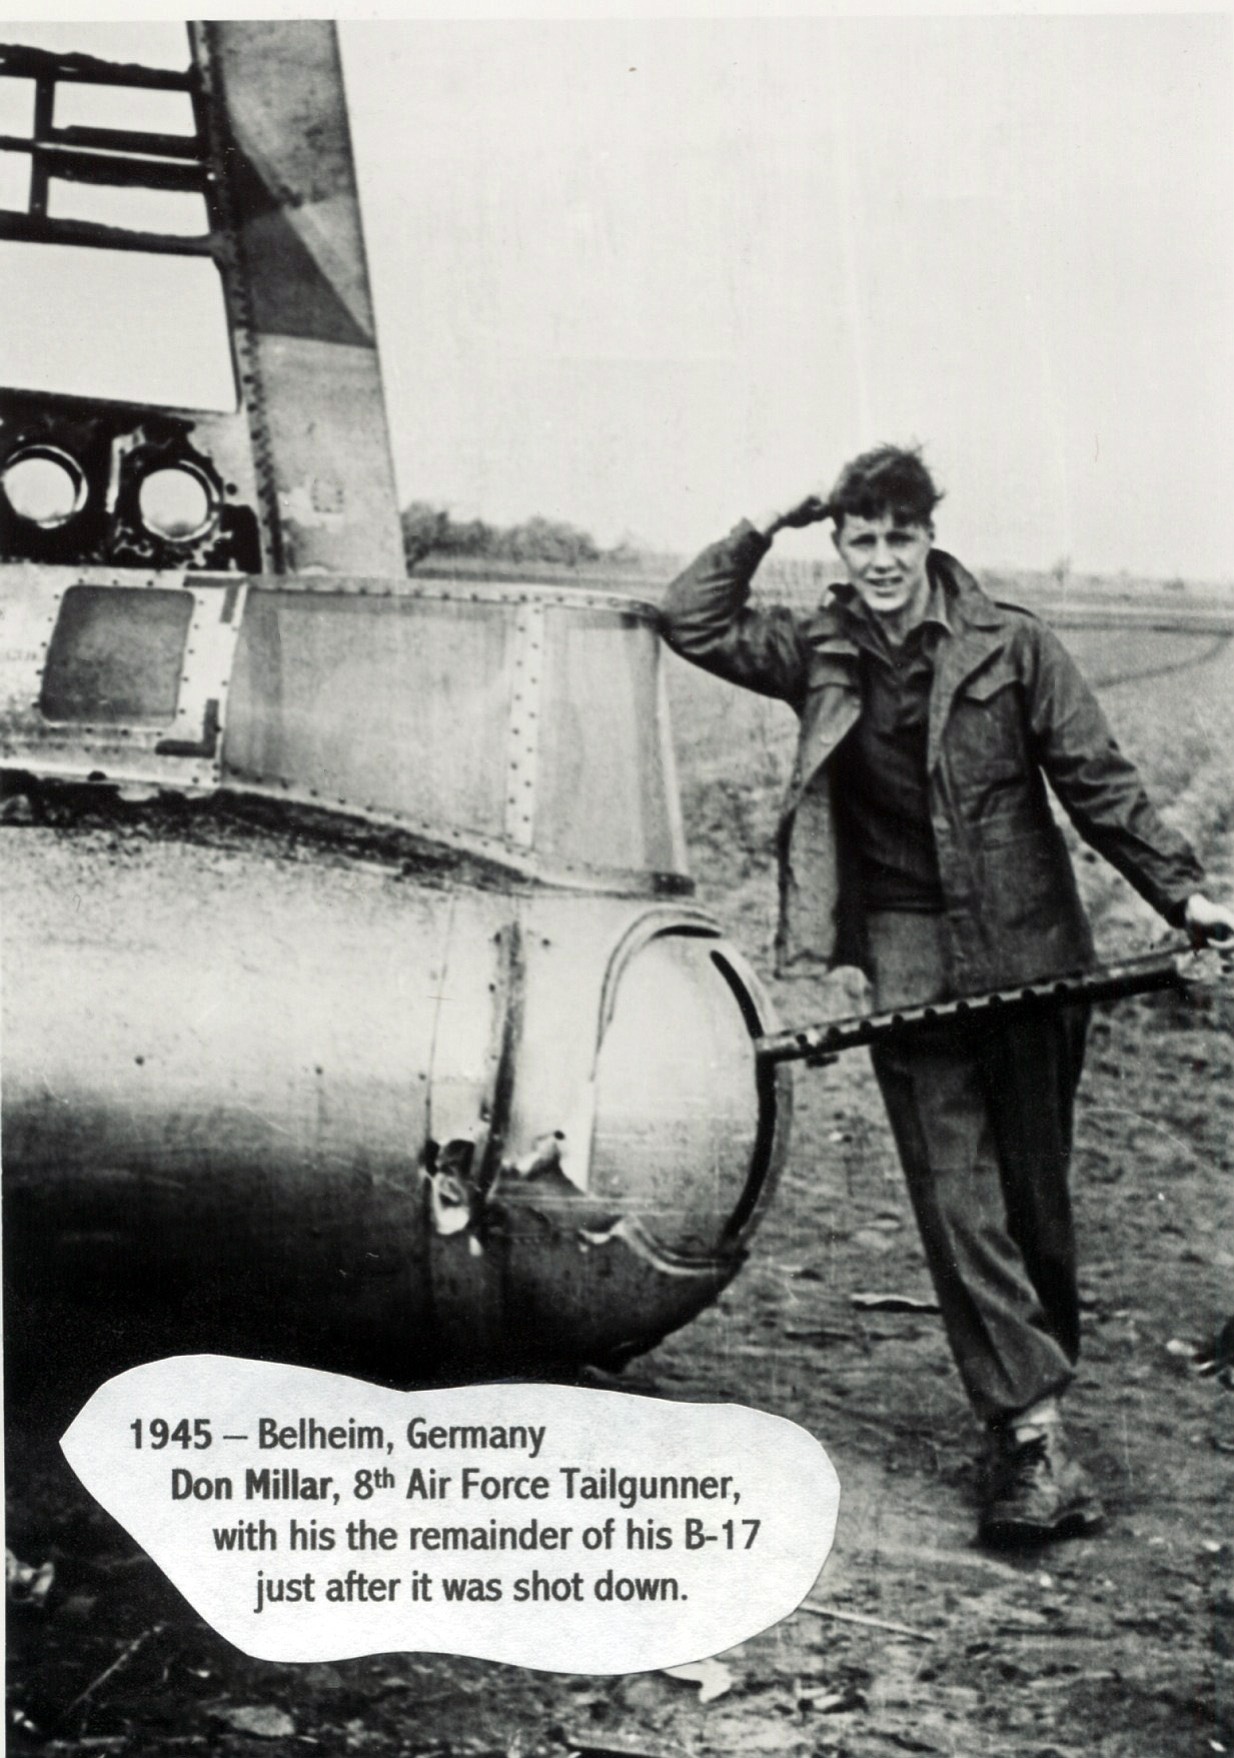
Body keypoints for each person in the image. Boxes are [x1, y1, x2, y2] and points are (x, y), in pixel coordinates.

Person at [659, 445, 1234, 1546]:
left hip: (1029, 951)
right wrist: (766, 514)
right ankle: (1028, 1433)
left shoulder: (1014, 646)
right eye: (858, 538)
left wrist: (1185, 897)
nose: (879, 560)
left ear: (930, 537)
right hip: (907, 954)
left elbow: (1096, 782)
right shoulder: (813, 648)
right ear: (839, 545)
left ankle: (1029, 1407)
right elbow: (691, 618)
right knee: (955, 1196)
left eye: (898, 536)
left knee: (1031, 1202)